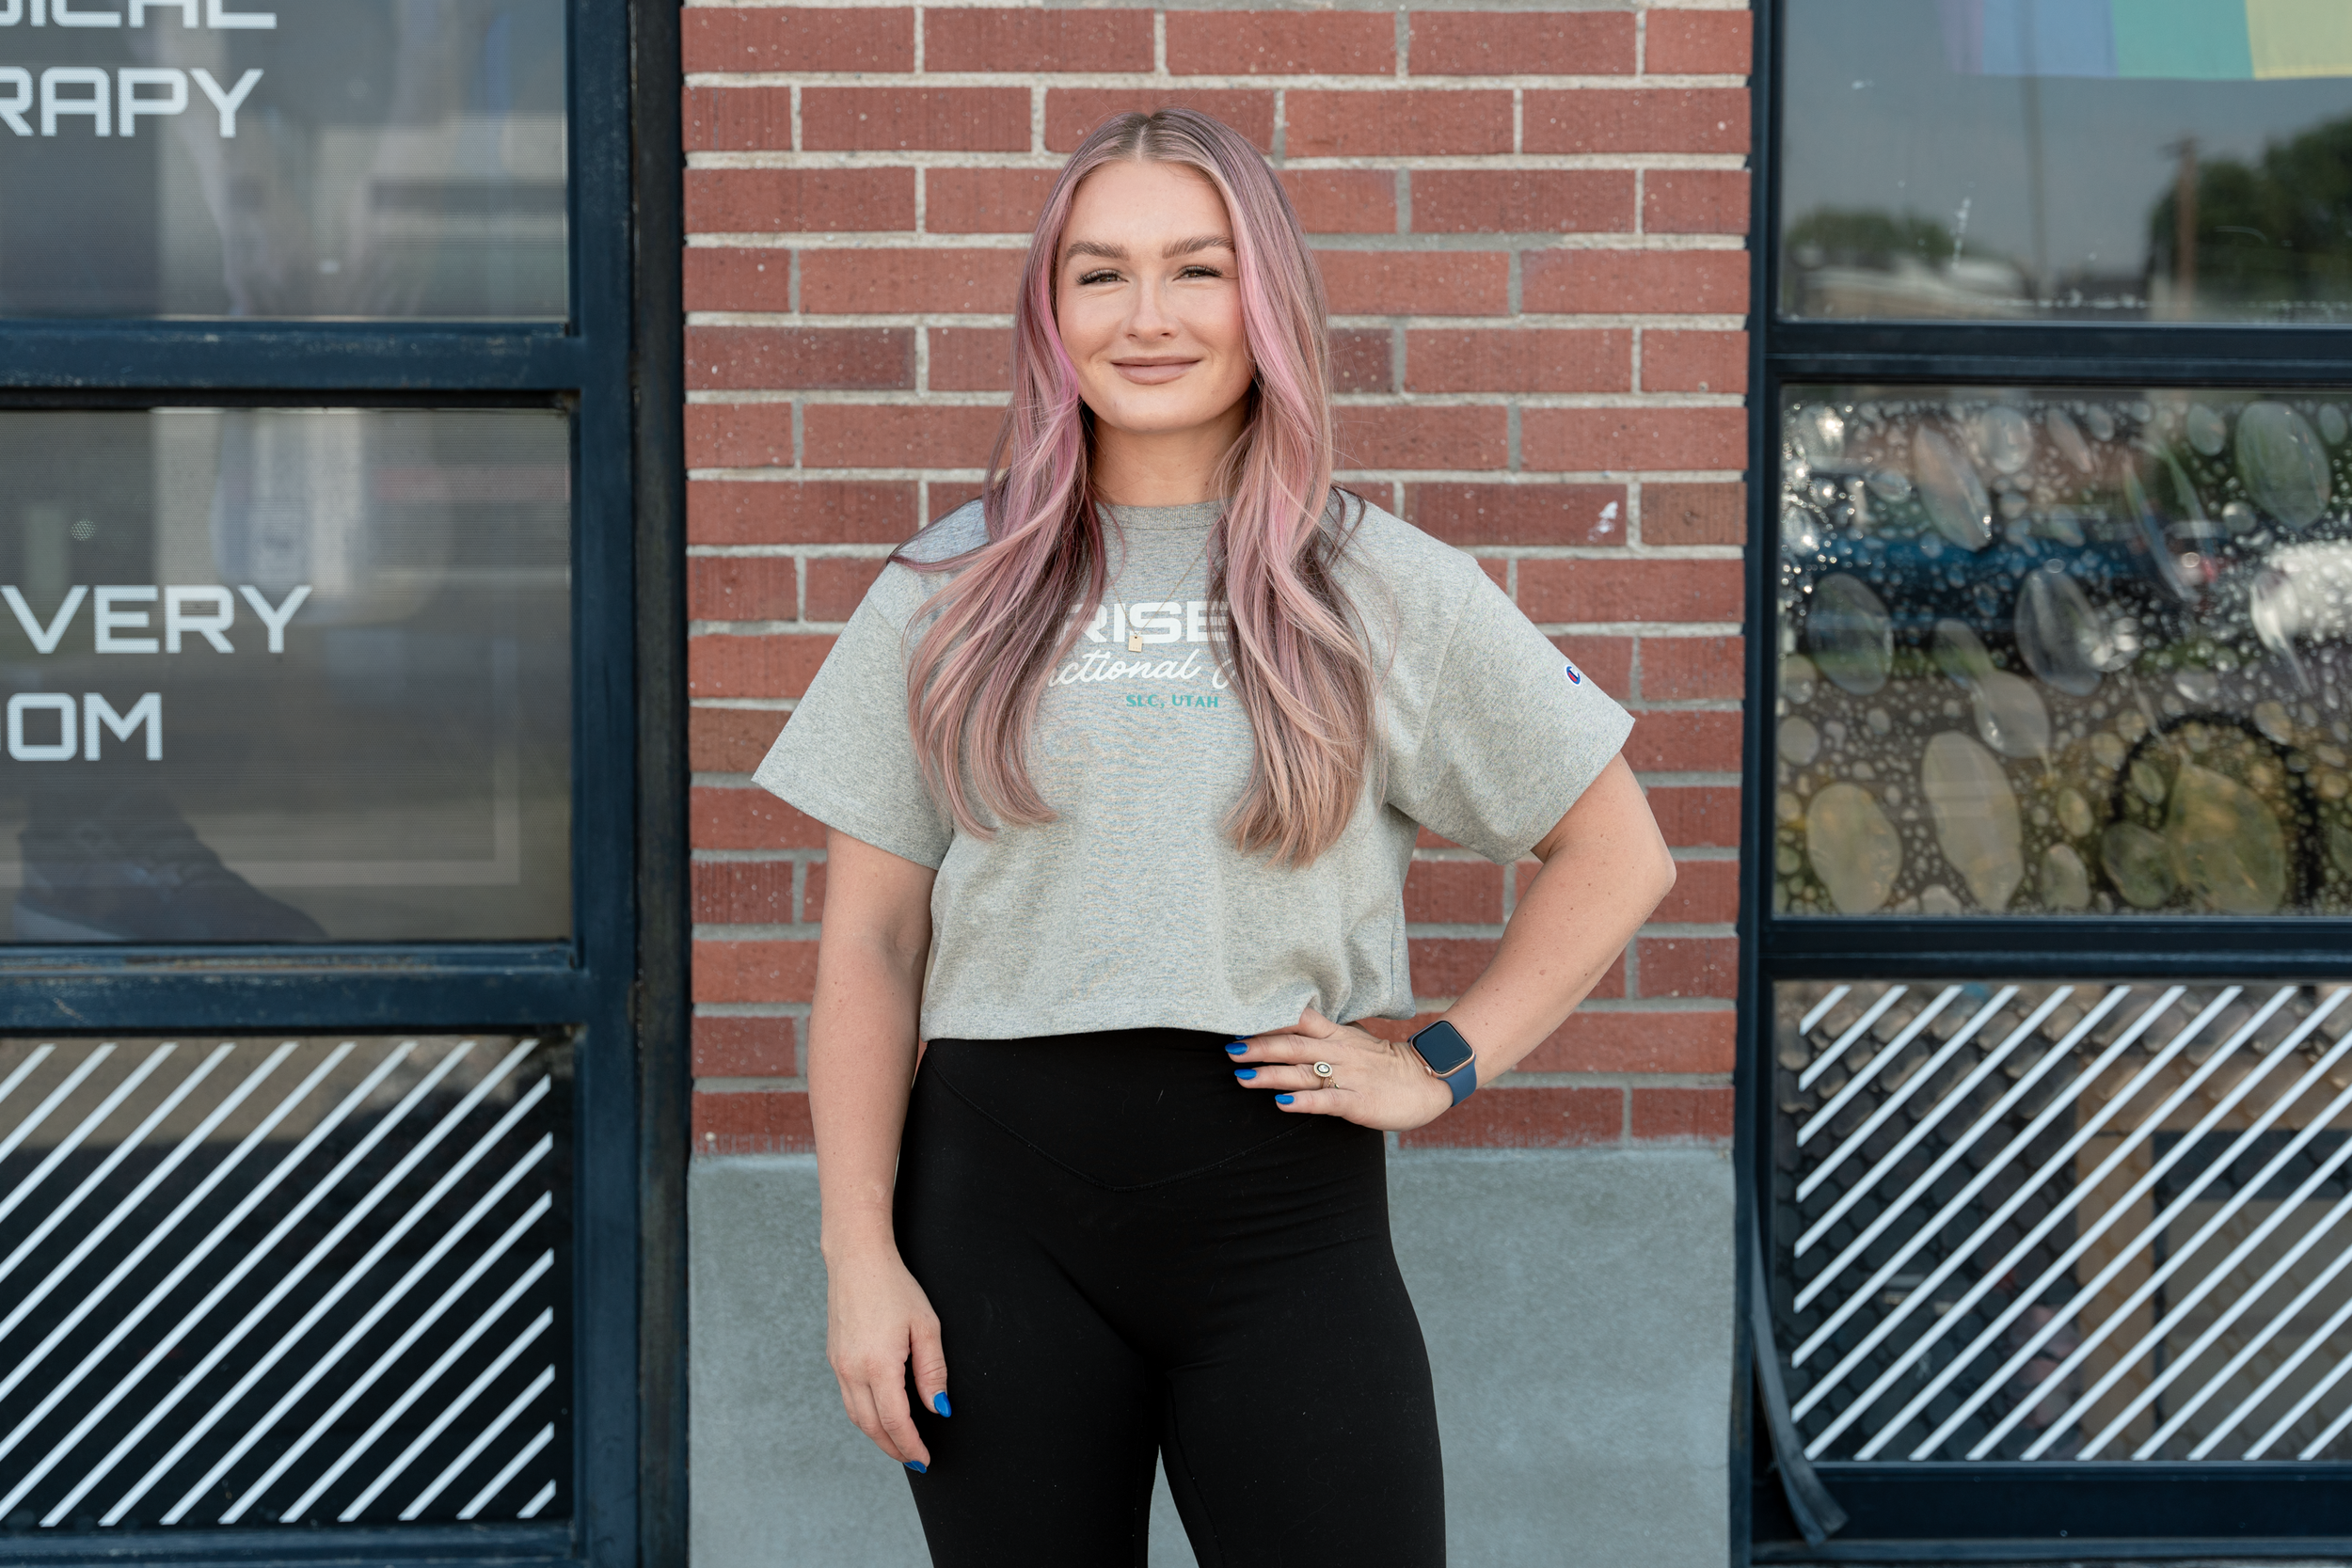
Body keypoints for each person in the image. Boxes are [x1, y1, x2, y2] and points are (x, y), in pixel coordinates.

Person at [754, 107, 1677, 1568]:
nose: (1148, 317)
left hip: (1280, 1219)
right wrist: (857, 1258)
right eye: (1099, 273)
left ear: (1269, 300)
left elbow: (1619, 851)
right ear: (1050, 314)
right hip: (997, 1225)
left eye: (1198, 268)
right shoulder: (944, 589)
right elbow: (868, 945)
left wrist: (1443, 1061)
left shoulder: (1377, 585)